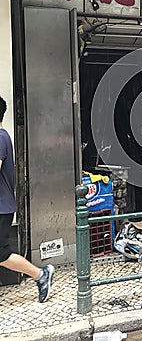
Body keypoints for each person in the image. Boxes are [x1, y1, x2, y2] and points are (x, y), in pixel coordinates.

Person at [0, 96, 54, 302]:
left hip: (2, 207)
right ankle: (41, 275)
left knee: (1, 253)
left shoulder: (0, 137)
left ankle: (41, 275)